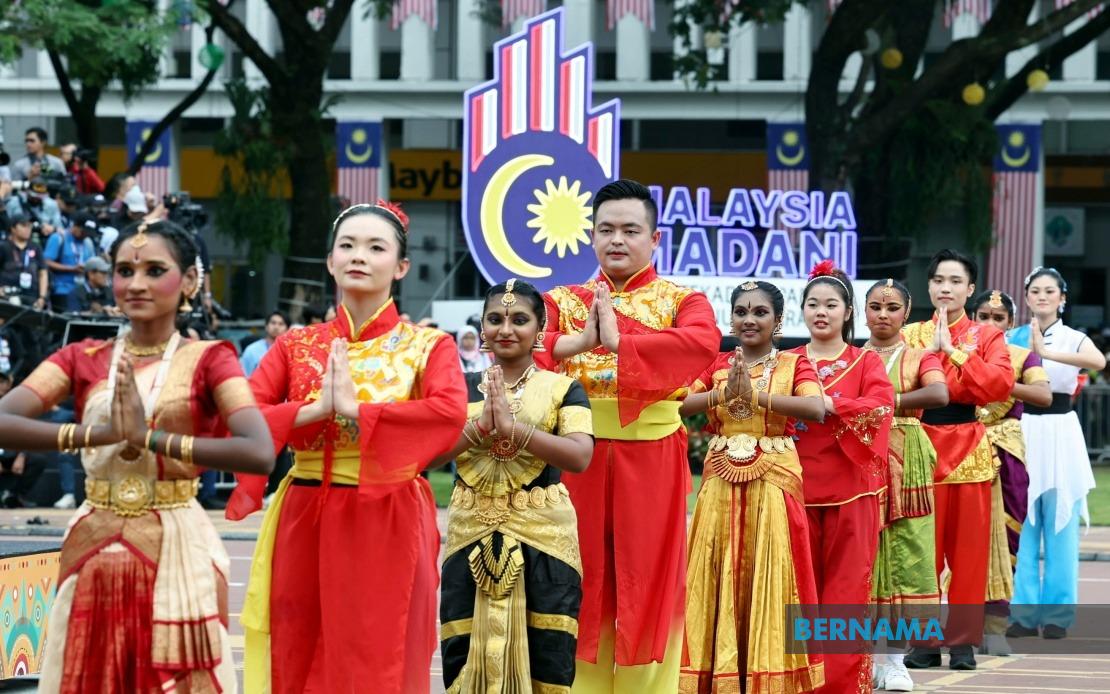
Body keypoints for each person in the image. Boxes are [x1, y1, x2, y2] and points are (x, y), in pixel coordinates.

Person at [0, 218, 274, 691]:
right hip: (93, 545)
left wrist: (151, 439)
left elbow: (259, 450)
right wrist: (95, 434)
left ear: (189, 281)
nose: (136, 283)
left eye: (153, 269)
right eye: (124, 270)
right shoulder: (82, 358)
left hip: (175, 543)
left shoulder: (210, 359)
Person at [226, 201, 468, 692]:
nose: (359, 255)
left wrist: (360, 411)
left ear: (400, 267)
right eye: (347, 246)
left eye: (376, 247)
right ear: (331, 262)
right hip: (304, 513)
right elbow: (240, 418)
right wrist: (314, 411)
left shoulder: (427, 346)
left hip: (387, 517)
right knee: (297, 643)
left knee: (380, 651)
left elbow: (449, 412)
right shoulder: (296, 345)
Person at [536, 179, 720, 692]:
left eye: (630, 230)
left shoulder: (684, 300)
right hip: (575, 454)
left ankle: (651, 685)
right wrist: (582, 339)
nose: (617, 240)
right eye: (606, 230)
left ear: (655, 238)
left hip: (654, 457)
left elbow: (701, 344)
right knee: (577, 572)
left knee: (650, 579)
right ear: (591, 237)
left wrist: (622, 342)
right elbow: (519, 340)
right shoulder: (562, 301)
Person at [435, 279, 594, 692]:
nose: (506, 328)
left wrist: (513, 429)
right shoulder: (457, 385)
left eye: (519, 319)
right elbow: (428, 456)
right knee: (462, 650)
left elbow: (579, 455)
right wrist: (480, 429)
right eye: (495, 319)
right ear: (483, 327)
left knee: (550, 654)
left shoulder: (564, 389)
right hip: (470, 531)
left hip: (545, 534)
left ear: (539, 329)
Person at [680, 280, 826, 693]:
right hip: (721, 478)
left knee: (772, 570)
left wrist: (759, 399)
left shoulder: (795, 364)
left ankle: (768, 676)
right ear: (731, 318)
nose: (749, 319)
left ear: (778, 321)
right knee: (714, 566)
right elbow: (679, 404)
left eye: (759, 312)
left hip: (774, 481)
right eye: (741, 311)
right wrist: (723, 392)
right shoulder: (717, 364)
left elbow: (815, 408)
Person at [902, 249, 1013, 671]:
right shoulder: (910, 334)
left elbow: (1000, 387)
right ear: (928, 286)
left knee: (967, 555)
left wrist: (955, 351)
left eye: (955, 281)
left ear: (969, 289)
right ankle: (924, 641)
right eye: (938, 280)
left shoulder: (987, 337)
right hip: (918, 447)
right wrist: (927, 352)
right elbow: (888, 376)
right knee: (920, 552)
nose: (945, 288)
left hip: (968, 448)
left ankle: (964, 641)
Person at [788, 261, 894, 693]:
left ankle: (841, 685)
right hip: (793, 490)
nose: (821, 312)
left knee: (846, 596)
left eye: (831, 304)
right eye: (813, 303)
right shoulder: (787, 361)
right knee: (797, 593)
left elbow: (881, 409)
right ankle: (796, 681)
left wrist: (829, 406)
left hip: (852, 493)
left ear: (848, 312)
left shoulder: (865, 361)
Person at [1007, 268, 1106, 639]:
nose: (1043, 296)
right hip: (1023, 427)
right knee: (1023, 520)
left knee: (1060, 524)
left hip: (1061, 428)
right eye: (1036, 291)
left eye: (1050, 291)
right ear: (1028, 297)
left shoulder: (1073, 337)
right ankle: (1024, 612)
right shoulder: (1012, 336)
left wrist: (1046, 353)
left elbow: (1098, 362)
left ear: (1062, 297)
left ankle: (1058, 616)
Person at [863, 279, 949, 692]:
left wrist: (886, 403)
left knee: (906, 554)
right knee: (862, 554)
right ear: (862, 312)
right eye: (876, 306)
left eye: (892, 307)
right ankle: (867, 658)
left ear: (906, 314)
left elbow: (939, 392)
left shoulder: (920, 356)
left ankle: (896, 660)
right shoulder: (849, 357)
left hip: (907, 462)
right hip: (858, 459)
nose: (883, 313)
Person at [969, 289, 1051, 654]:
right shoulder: (957, 354)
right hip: (963, 448)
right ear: (972, 319)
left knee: (1007, 536)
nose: (989, 324)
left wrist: (996, 380)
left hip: (1006, 451)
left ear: (1011, 323)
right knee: (962, 539)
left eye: (998, 318)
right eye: (983, 316)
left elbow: (1044, 396)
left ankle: (996, 625)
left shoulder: (1022, 356)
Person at [44, 214, 95, 313]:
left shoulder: (88, 242)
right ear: (75, 226)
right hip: (62, 289)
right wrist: (71, 269)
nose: (85, 235)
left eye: (88, 233)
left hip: (82, 290)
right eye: (83, 232)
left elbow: (92, 263)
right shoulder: (58, 238)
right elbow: (46, 262)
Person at [0, 213, 48, 309]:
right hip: (7, 295)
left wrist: (42, 297)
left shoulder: (35, 247)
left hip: (31, 295)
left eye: (29, 226)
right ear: (13, 228)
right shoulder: (4, 247)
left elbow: (43, 273)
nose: (28, 229)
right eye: (23, 225)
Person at [239, 310, 290, 378]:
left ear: (288, 329)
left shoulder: (291, 352)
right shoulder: (252, 350)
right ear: (266, 326)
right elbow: (244, 377)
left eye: (281, 324)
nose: (276, 327)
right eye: (273, 323)